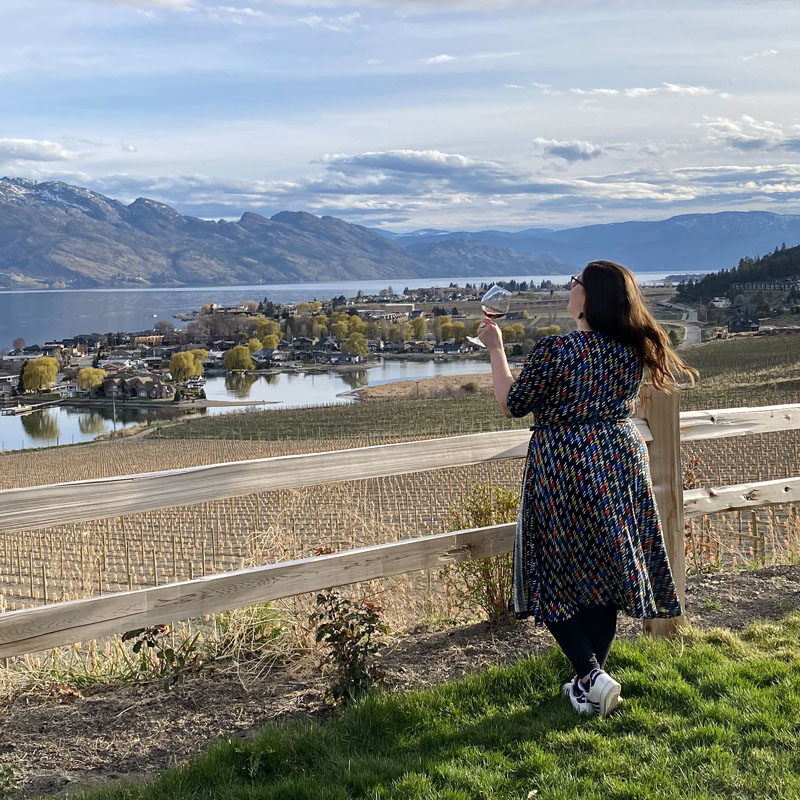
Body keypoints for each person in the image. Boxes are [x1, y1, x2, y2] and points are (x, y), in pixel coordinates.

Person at [477, 260, 697, 718]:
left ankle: (590, 675)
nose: (568, 287)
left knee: (552, 570)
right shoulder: (631, 348)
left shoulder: (556, 349)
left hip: (565, 465)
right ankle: (589, 684)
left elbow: (511, 404)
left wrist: (495, 348)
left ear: (589, 297)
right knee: (604, 570)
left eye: (574, 282)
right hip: (617, 458)